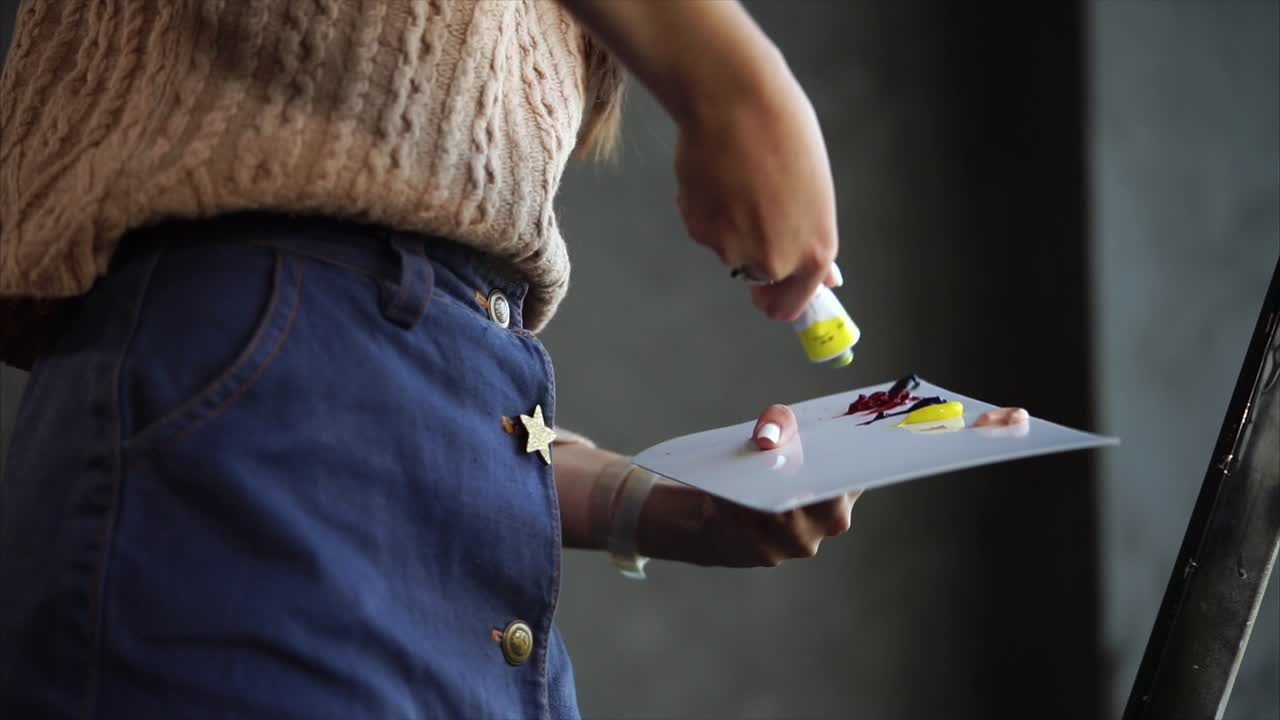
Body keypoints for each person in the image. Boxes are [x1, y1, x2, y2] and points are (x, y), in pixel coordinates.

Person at [0, 1, 859, 717]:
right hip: (242, 484)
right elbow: (312, 349)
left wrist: (662, 505)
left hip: (458, 608)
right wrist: (736, 89)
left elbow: (411, 389)